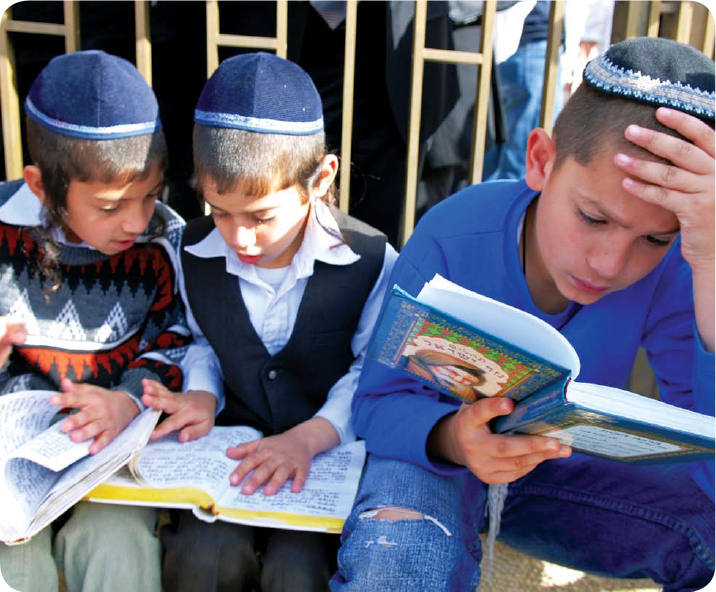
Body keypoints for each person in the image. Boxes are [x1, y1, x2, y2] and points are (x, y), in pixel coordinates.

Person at [331, 37, 715, 592]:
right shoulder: (451, 236)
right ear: (540, 160)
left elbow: (706, 463)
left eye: (655, 237)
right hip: (435, 460)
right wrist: (457, 441)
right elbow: (377, 404)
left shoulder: (680, 268)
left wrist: (705, 260)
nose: (609, 263)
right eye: (592, 217)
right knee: (395, 560)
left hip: (556, 477)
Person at [141, 52, 397, 592]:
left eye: (261, 216)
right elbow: (199, 339)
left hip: (320, 460)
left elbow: (370, 370)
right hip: (226, 458)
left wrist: (309, 436)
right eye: (220, 211)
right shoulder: (187, 251)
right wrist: (203, 394)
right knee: (203, 556)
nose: (239, 237)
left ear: (320, 178)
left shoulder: (372, 260)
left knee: (298, 567)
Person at [0, 50, 192, 592]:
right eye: (109, 207)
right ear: (40, 187)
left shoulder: (163, 239)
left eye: (149, 195)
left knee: (118, 543)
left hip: (107, 466)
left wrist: (129, 398)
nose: (135, 220)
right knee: (12, 562)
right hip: (10, 473)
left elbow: (176, 341)